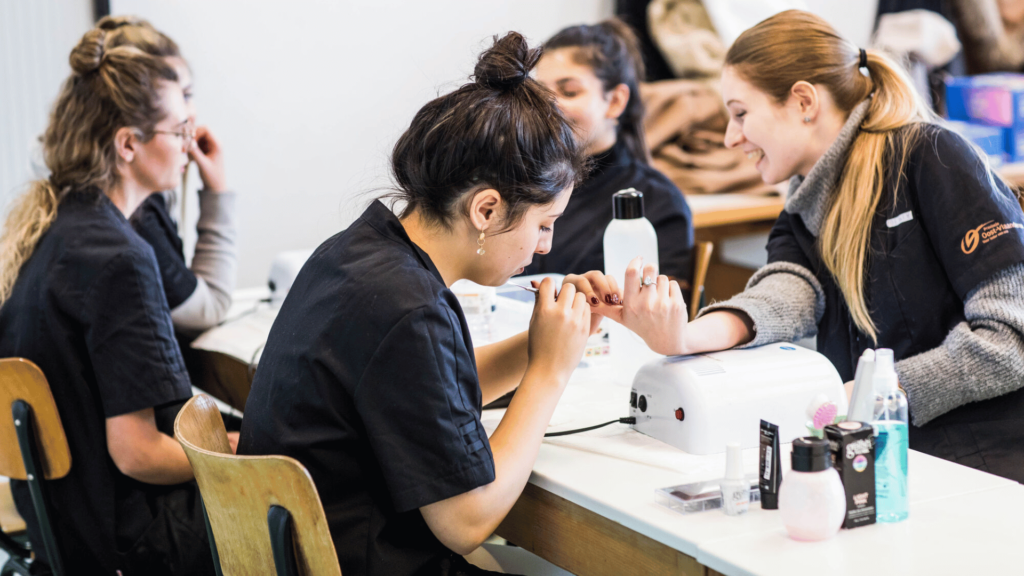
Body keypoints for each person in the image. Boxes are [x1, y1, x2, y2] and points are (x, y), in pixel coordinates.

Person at [567, 10, 1024, 482]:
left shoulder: (934, 158)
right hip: (876, 456)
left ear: (804, 101)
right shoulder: (804, 202)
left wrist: (866, 395)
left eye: (741, 113)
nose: (730, 137)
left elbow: (1011, 341)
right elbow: (786, 294)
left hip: (982, 465)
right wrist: (682, 338)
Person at [238, 33, 598, 575]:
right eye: (543, 225)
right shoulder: (409, 307)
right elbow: (468, 521)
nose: (546, 247)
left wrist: (543, 340)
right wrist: (549, 371)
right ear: (486, 209)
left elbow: (426, 389)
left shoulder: (359, 252)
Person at [0, 28, 228, 575]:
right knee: (330, 490)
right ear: (128, 144)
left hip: (65, 523)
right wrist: (248, 454)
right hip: (124, 537)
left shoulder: (46, 229)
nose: (189, 144)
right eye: (179, 130)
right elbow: (138, 453)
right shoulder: (119, 257)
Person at [523, 18, 694, 287]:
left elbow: (661, 317)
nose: (549, 107)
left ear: (615, 101)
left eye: (569, 91)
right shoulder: (523, 182)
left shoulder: (659, 201)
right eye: (540, 94)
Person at [96, 15, 238, 339]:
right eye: (182, 96)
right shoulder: (133, 223)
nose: (191, 114)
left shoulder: (93, 205)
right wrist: (218, 194)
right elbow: (208, 306)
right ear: (129, 140)